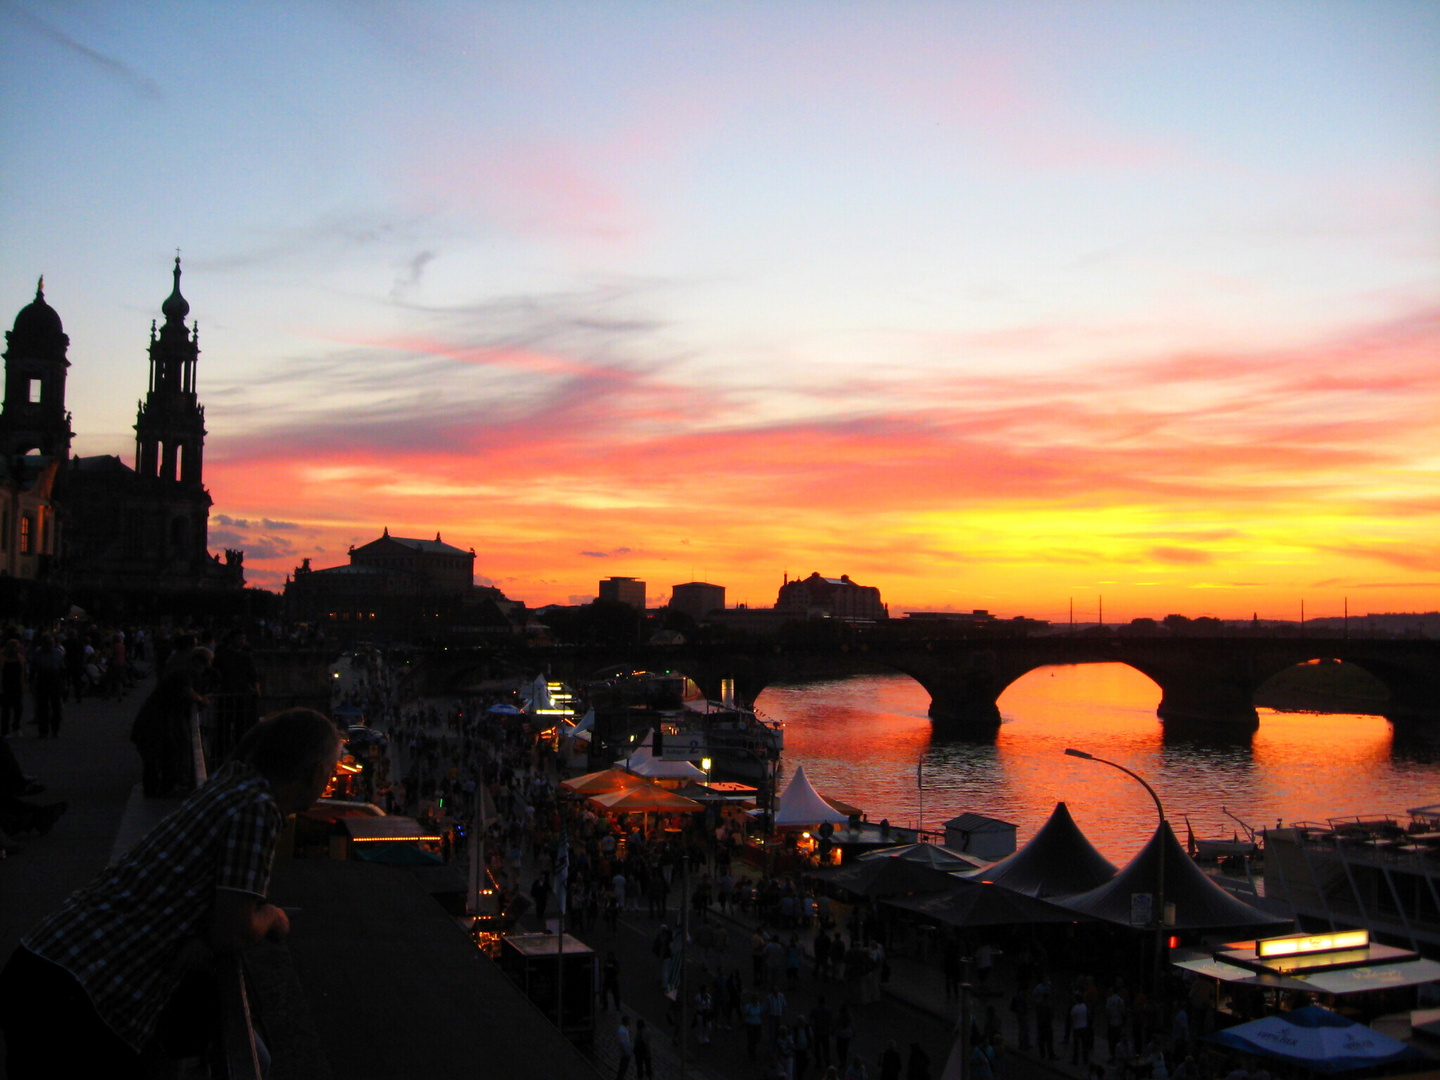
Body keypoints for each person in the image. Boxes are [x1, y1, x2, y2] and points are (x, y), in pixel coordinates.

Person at [0, 707, 343, 1078]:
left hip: (48, 962)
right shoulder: (257, 809)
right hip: (78, 996)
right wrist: (273, 917)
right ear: (313, 771)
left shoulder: (231, 781)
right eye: (331, 769)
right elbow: (234, 930)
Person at [615, 1013, 634, 1080]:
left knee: (623, 1067)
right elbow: (622, 1043)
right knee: (623, 1067)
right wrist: (626, 1053)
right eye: (629, 1020)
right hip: (625, 1053)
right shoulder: (623, 1031)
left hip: (626, 1051)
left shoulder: (624, 1029)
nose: (630, 1021)